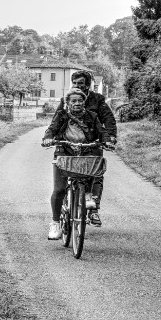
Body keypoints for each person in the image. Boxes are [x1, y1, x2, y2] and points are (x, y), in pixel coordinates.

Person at [40, 88, 114, 240]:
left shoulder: (92, 116)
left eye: (80, 101)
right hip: (64, 153)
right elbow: (52, 129)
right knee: (59, 189)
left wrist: (107, 141)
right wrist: (48, 138)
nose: (77, 103)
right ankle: (55, 223)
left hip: (85, 152)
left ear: (84, 102)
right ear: (67, 103)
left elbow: (102, 132)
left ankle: (87, 195)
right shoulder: (61, 115)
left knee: (95, 163)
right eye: (73, 101)